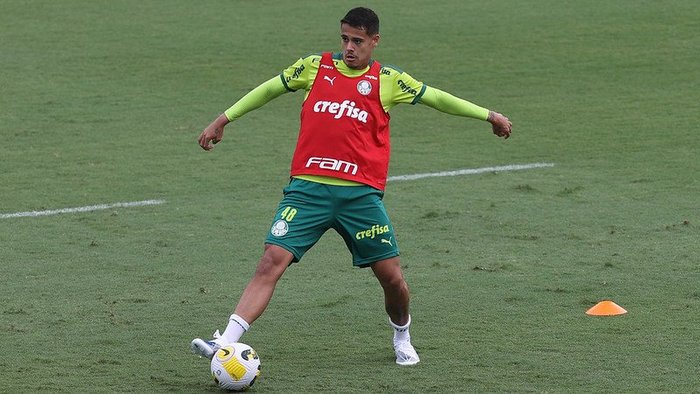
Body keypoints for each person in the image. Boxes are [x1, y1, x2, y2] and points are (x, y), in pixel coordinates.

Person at [191, 7, 512, 366]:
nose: (349, 47)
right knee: (270, 261)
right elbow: (268, 89)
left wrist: (490, 115)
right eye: (344, 39)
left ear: (374, 41)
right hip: (308, 190)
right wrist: (223, 119)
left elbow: (436, 98)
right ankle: (225, 341)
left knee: (392, 280)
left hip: (359, 197)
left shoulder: (388, 80)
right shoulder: (314, 67)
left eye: (357, 41)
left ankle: (402, 334)